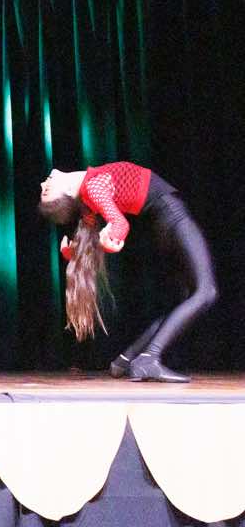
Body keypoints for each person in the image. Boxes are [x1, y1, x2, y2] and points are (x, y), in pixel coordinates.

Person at [38, 161, 217, 382]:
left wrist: (78, 252)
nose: (43, 184)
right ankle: (148, 359)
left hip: (162, 219)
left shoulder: (88, 195)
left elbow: (93, 236)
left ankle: (125, 359)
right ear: (66, 191)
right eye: (47, 190)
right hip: (171, 214)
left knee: (186, 300)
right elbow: (120, 225)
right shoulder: (93, 187)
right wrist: (111, 239)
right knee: (206, 292)